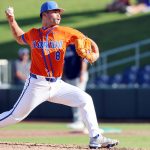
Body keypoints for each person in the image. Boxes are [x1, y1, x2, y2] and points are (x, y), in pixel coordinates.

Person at [2, 1, 119, 149]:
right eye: (55, 11)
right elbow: (19, 37)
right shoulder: (34, 33)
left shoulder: (66, 32)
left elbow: (87, 41)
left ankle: (95, 137)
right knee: (15, 116)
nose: (59, 15)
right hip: (36, 85)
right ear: (44, 14)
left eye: (59, 12)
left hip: (57, 85)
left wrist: (95, 54)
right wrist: (11, 20)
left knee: (86, 99)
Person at [64, 45, 104, 134]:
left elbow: (84, 60)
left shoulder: (79, 44)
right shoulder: (67, 46)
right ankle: (78, 122)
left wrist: (82, 73)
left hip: (78, 76)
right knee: (73, 99)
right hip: (70, 76)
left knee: (82, 99)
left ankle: (85, 124)